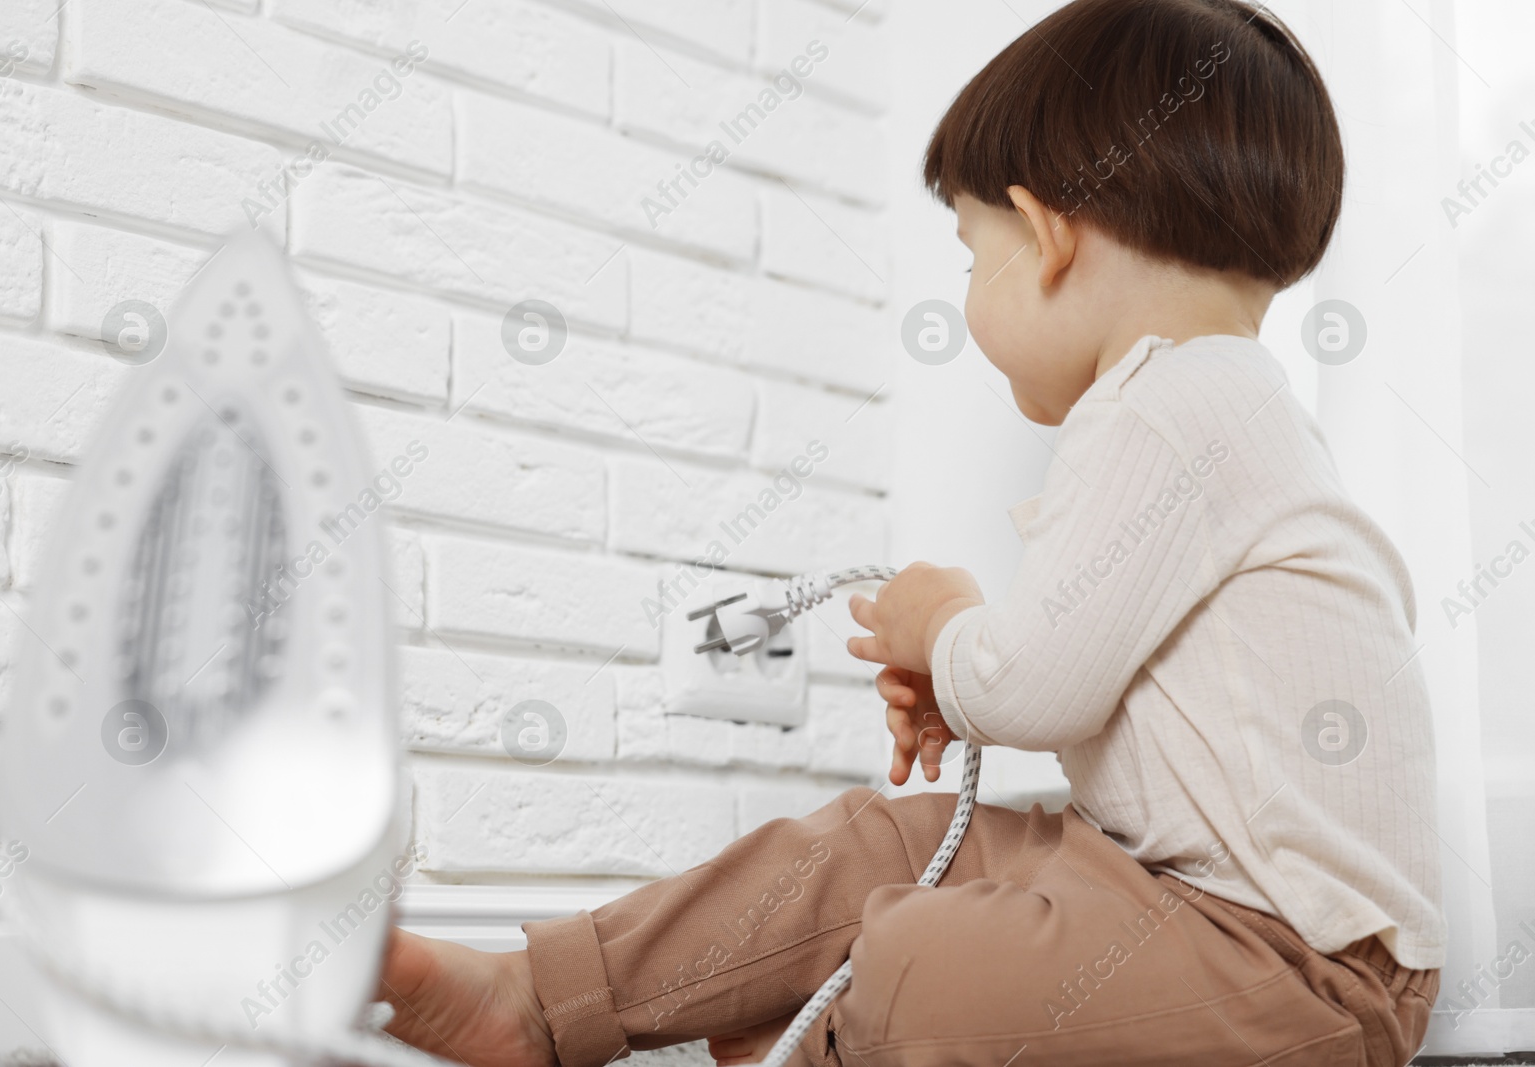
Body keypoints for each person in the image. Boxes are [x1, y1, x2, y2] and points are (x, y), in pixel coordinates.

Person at [376, 1, 1444, 1063]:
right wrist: (963, 667)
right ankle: (543, 999)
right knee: (880, 846)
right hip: (1164, 897)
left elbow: (1032, 687)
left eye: (970, 255)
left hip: (1296, 972)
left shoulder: (1167, 405)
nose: (971, 291)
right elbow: (1085, 675)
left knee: (925, 961)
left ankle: (808, 1036)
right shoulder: (1214, 404)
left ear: (1045, 235)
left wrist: (945, 624)